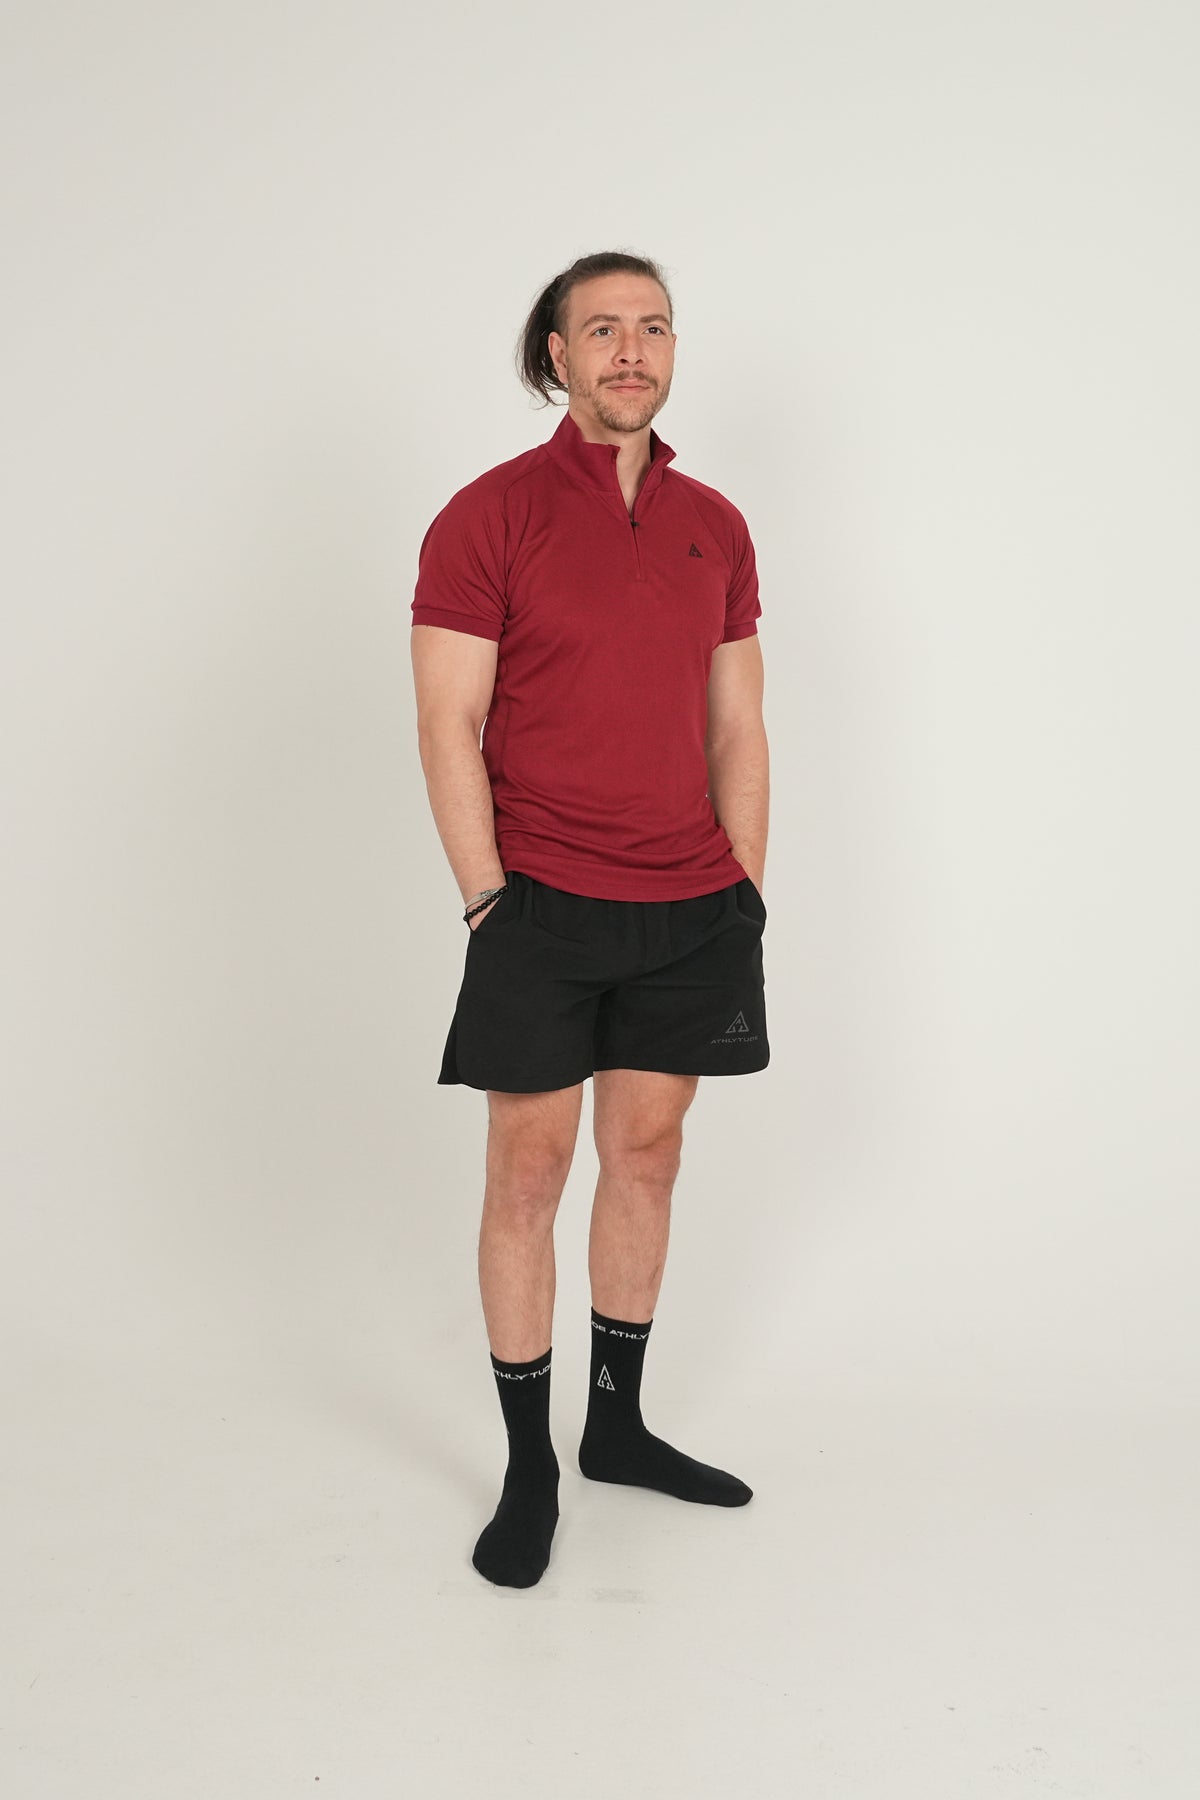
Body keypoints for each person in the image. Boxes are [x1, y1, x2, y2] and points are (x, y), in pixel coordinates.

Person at [409, 250, 770, 1589]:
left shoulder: (716, 523)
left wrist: (744, 887)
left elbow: (739, 723)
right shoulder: (488, 516)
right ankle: (530, 1468)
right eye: (603, 328)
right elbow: (446, 719)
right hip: (542, 903)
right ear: (555, 355)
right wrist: (486, 895)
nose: (632, 348)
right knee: (528, 1173)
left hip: (692, 906)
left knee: (651, 1156)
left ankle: (615, 1430)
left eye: (653, 326)